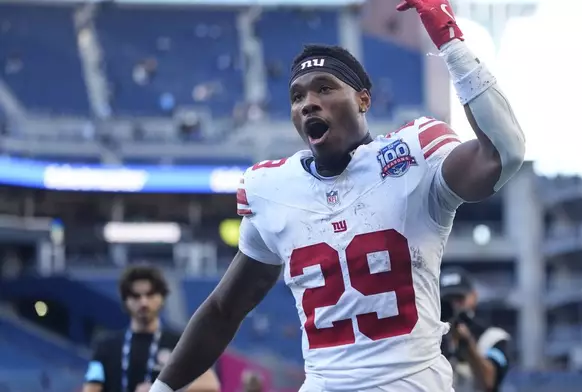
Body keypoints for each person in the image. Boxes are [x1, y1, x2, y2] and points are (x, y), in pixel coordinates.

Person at [150, 0, 526, 390]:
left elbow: (505, 152)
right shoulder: (273, 191)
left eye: (325, 88)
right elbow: (223, 310)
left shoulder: (413, 156)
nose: (308, 102)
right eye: (297, 97)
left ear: (363, 99)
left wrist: (451, 41)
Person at [82, 265, 220, 392]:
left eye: (150, 294)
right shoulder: (106, 346)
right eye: (136, 296)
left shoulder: (180, 342)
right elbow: (91, 387)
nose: (143, 302)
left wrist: (160, 390)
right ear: (125, 300)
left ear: (162, 297)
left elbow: (211, 384)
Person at [440, 268, 512, 392]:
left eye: (459, 299)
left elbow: (489, 382)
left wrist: (467, 343)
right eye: (447, 302)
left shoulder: (493, 337)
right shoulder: (432, 337)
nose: (454, 306)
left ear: (474, 296)